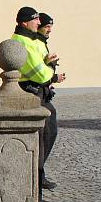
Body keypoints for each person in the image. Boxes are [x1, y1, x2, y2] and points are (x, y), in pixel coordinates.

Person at [11, 7, 60, 202]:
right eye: (35, 21)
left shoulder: (31, 39)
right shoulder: (23, 42)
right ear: (25, 22)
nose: (39, 24)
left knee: (47, 134)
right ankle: (34, 194)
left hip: (39, 93)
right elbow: (41, 75)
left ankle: (38, 185)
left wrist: (47, 66)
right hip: (32, 93)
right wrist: (50, 69)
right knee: (37, 144)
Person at [35, 12, 67, 190]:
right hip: (37, 93)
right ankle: (38, 174)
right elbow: (37, 71)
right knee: (44, 135)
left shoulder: (40, 42)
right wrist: (52, 74)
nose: (49, 30)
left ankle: (40, 173)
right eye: (47, 27)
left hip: (43, 91)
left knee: (49, 133)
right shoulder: (35, 43)